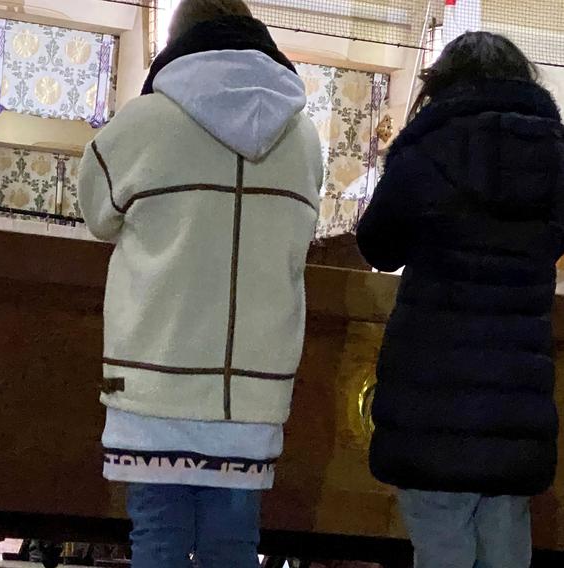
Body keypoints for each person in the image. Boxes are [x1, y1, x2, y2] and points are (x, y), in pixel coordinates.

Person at [78, 1, 323, 566]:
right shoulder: (304, 137)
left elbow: (96, 214)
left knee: (158, 540)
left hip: (153, 374)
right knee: (233, 546)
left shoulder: (140, 124)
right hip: (252, 388)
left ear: (177, 38)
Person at [357, 32, 564, 568]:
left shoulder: (426, 148)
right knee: (504, 540)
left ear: (442, 84)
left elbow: (378, 247)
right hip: (515, 395)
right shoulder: (556, 157)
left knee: (441, 537)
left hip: (431, 390)